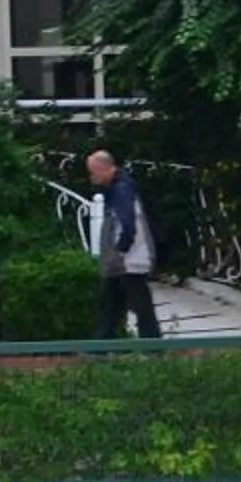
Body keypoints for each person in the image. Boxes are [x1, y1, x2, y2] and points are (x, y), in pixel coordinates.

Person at [85, 146, 161, 340]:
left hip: (129, 260)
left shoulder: (121, 190)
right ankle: (104, 344)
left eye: (93, 172)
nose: (91, 178)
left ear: (103, 169)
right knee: (113, 302)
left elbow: (127, 224)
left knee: (134, 303)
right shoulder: (120, 188)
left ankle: (151, 344)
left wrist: (120, 250)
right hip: (126, 260)